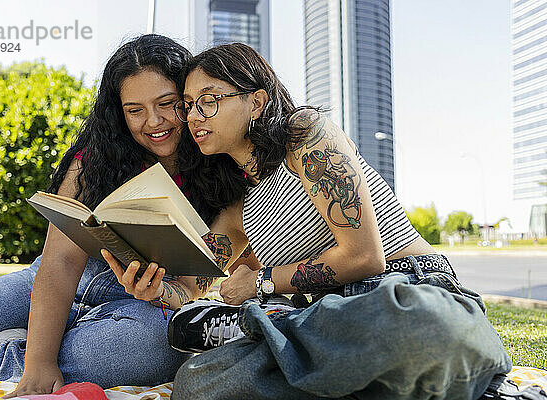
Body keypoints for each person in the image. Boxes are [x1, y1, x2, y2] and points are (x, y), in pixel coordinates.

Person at [162, 43, 512, 399]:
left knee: (428, 328)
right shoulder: (236, 210)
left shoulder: (305, 136)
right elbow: (189, 287)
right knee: (197, 384)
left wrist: (261, 283)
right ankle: (287, 334)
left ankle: (268, 329)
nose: (193, 116)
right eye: (188, 105)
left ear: (256, 101)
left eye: (208, 100)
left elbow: (364, 257)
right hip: (327, 318)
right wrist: (153, 286)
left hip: (402, 291)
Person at [0, 34, 243, 395]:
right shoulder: (96, 160)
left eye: (167, 104)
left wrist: (158, 291)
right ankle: (39, 343)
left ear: (189, 100)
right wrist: (41, 363)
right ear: (119, 113)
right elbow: (60, 264)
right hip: (71, 280)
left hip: (138, 303)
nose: (154, 122)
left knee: (151, 349)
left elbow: (190, 288)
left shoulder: (226, 173)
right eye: (135, 110)